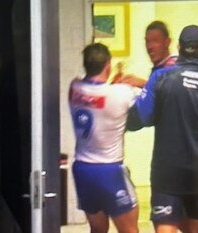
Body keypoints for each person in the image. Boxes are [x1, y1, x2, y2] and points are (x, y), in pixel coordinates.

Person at [127, 25, 198, 233]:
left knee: (166, 227)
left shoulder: (160, 78)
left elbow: (139, 118)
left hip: (167, 170)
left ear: (179, 46)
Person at [69, 43, 139, 233]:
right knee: (130, 230)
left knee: (97, 229)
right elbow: (145, 105)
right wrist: (137, 81)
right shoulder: (122, 92)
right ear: (108, 64)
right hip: (109, 170)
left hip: (82, 168)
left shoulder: (74, 87)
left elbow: (97, 93)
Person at [112, 20, 177, 87]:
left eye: (155, 41)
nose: (149, 46)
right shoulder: (159, 67)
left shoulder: (175, 67)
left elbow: (171, 91)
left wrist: (144, 84)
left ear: (167, 42)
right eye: (147, 41)